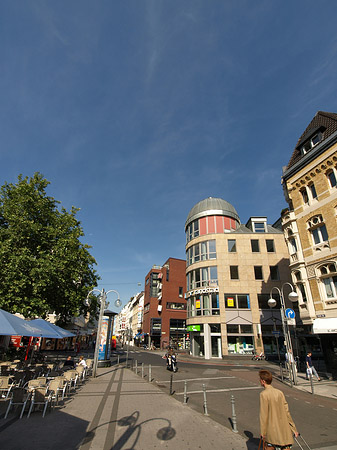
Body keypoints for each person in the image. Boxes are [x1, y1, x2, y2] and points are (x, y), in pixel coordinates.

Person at [259, 369, 299, 449]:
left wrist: (263, 432)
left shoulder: (263, 394)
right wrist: (294, 429)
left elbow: (263, 415)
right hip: (284, 429)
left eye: (260, 379)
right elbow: (287, 411)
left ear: (263, 381)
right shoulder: (279, 392)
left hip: (272, 431)